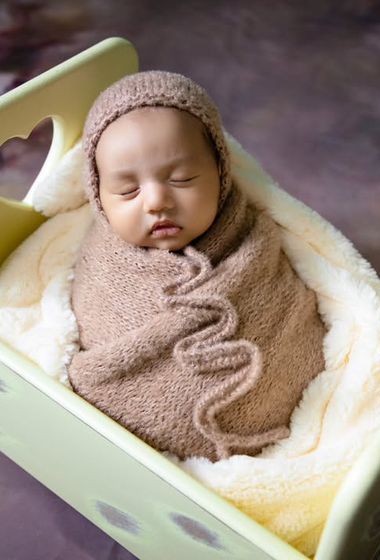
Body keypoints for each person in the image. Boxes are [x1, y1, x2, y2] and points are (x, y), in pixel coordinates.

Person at [67, 70, 327, 462]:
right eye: (128, 190)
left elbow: (288, 317)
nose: (156, 201)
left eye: (182, 178)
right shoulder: (102, 266)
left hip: (292, 426)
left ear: (221, 172)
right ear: (99, 197)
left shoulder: (252, 239)